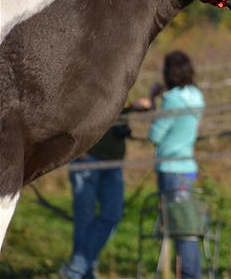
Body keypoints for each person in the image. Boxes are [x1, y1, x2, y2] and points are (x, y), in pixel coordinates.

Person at [60, 98, 151, 279]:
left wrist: (138, 103)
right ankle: (83, 272)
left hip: (113, 163)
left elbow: (141, 105)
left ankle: (76, 269)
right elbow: (66, 109)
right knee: (84, 220)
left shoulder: (120, 82)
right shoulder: (85, 80)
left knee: (113, 215)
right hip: (87, 161)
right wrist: (76, 148)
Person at [148, 51, 206, 279]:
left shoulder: (172, 100)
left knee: (183, 231)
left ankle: (190, 275)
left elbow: (155, 134)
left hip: (171, 171)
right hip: (189, 168)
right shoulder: (196, 95)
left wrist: (153, 100)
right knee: (187, 227)